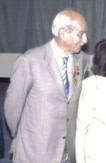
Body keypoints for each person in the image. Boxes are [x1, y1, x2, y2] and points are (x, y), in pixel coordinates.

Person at [4, 8, 90, 163]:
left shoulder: (82, 60)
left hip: (68, 152)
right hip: (35, 151)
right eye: (81, 34)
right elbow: (12, 107)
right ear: (63, 33)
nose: (85, 40)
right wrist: (18, 136)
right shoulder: (30, 61)